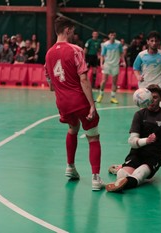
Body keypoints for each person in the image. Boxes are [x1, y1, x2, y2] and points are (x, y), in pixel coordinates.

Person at [44, 17, 103, 191]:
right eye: (73, 30)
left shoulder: (48, 54)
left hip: (62, 103)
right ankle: (95, 178)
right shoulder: (76, 50)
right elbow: (83, 78)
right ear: (68, 30)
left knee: (73, 128)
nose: (74, 33)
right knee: (93, 136)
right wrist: (92, 104)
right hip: (79, 100)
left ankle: (70, 167)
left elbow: (50, 86)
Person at [106, 84, 161, 192]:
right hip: (137, 153)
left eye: (155, 97)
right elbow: (132, 142)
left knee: (140, 173)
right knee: (121, 174)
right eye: (150, 97)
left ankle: (120, 184)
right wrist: (146, 141)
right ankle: (121, 173)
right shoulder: (139, 115)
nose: (152, 101)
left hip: (153, 157)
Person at [133, 31, 161, 111]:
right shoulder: (141, 55)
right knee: (144, 111)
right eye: (152, 41)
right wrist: (138, 76)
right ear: (147, 41)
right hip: (144, 87)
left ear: (159, 42)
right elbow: (136, 68)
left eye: (156, 41)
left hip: (159, 86)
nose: (154, 43)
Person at [96, 30, 123, 104]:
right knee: (104, 81)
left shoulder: (119, 44)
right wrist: (101, 63)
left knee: (114, 82)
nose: (113, 36)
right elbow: (102, 55)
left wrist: (123, 61)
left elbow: (121, 53)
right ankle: (100, 95)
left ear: (115, 36)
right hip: (107, 64)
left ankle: (113, 97)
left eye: (114, 35)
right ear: (109, 36)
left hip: (115, 65)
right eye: (111, 35)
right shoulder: (105, 44)